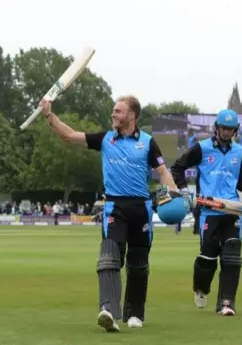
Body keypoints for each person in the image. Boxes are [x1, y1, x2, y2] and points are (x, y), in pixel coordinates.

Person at [39, 95, 184, 332]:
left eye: (118, 111)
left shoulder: (147, 142)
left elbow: (162, 171)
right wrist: (49, 115)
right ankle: (108, 310)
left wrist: (174, 193)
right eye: (113, 111)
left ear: (132, 115)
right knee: (109, 256)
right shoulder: (106, 139)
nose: (113, 114)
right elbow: (69, 135)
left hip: (141, 209)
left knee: (138, 263)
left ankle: (135, 313)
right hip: (115, 207)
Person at [170, 109, 242, 316]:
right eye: (223, 128)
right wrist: (184, 189)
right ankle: (201, 287)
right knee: (208, 256)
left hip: (232, 209)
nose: (226, 132)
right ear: (217, 128)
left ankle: (226, 303)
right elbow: (177, 168)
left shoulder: (239, 152)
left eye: (230, 129)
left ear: (235, 130)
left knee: (232, 256)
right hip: (208, 210)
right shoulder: (202, 148)